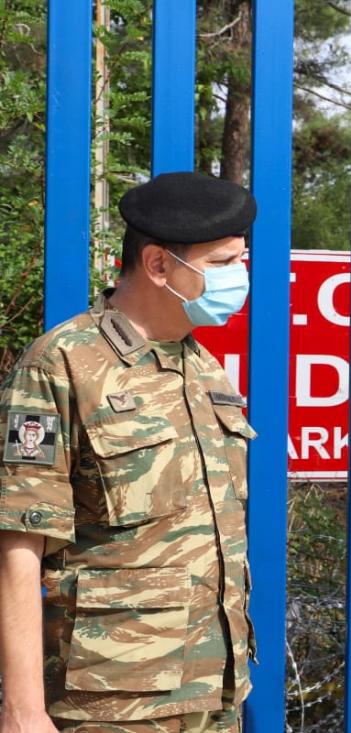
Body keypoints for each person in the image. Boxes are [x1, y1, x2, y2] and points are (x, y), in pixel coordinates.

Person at [0, 172, 259, 733]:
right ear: (159, 264)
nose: (239, 278)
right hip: (111, 702)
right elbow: (17, 543)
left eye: (241, 261)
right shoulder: (60, 363)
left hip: (214, 692)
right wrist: (22, 709)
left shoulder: (200, 365)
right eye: (222, 263)